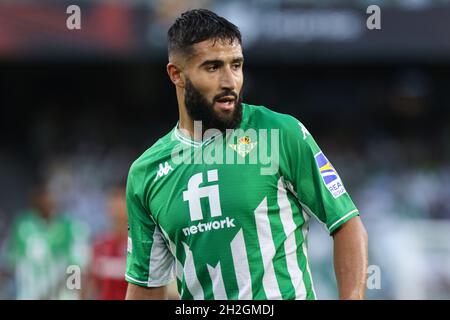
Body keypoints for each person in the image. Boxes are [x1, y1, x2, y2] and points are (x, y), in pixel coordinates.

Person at [125, 9, 368, 300]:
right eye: (213, 67)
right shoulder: (146, 173)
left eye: (236, 65)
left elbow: (346, 224)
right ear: (177, 74)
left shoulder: (279, 133)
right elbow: (146, 284)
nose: (230, 81)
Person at [5, 182, 90, 299]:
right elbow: (11, 262)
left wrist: (72, 294)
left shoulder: (68, 227)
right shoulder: (22, 224)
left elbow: (76, 266)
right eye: (45, 195)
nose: (49, 199)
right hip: (29, 294)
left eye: (52, 195)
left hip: (58, 295)